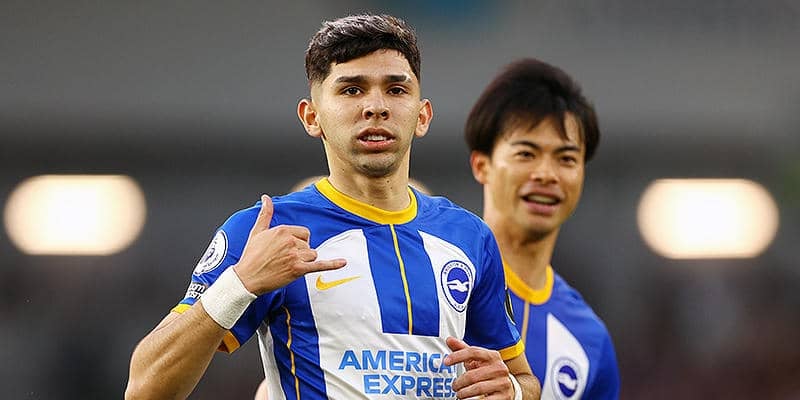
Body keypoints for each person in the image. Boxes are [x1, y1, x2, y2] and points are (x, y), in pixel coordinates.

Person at [126, 14, 540, 400]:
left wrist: (513, 391)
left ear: (422, 115)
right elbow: (145, 387)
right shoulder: (266, 231)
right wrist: (240, 283)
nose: (376, 107)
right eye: (351, 89)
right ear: (312, 117)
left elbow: (522, 379)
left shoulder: (469, 237)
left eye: (396, 90)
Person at [465, 58, 621, 399]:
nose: (547, 175)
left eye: (566, 159)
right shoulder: (436, 286)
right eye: (526, 154)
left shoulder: (590, 341)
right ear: (481, 165)